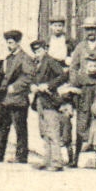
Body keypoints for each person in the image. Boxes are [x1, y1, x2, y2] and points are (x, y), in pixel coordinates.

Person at [67, 17, 96, 161]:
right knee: (82, 121)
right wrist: (76, 84)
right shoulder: (80, 47)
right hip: (84, 90)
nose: (90, 32)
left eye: (93, 29)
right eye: (88, 29)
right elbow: (73, 67)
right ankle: (76, 157)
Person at [0, 30, 33, 163]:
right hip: (5, 99)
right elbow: (5, 72)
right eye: (7, 42)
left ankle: (21, 157)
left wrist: (15, 87)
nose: (8, 45)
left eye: (11, 43)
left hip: (18, 99)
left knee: (20, 129)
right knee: (0, 127)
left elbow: (28, 76)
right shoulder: (8, 58)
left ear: (18, 42)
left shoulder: (25, 58)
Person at [26, 39, 69, 171]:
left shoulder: (50, 61)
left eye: (39, 50)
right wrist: (32, 86)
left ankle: (57, 161)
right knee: (44, 131)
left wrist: (49, 85)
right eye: (35, 51)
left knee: (53, 131)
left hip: (50, 100)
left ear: (45, 49)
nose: (37, 53)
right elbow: (32, 79)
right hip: (39, 100)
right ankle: (47, 159)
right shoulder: (36, 63)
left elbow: (63, 76)